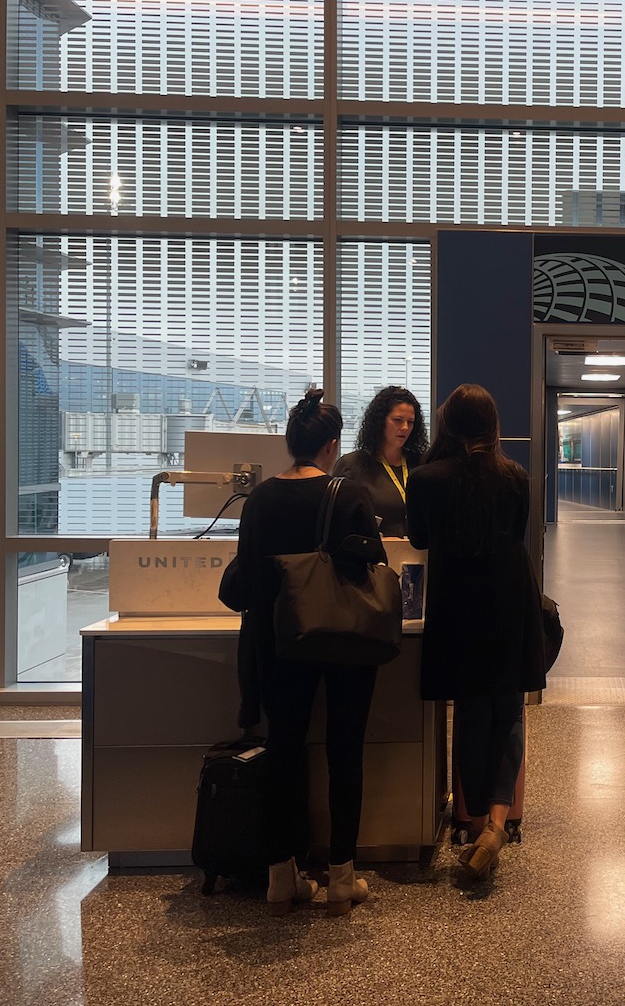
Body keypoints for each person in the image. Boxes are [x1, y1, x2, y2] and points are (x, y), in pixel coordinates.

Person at [224, 388, 386, 915]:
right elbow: (374, 568)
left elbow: (246, 580)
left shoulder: (262, 499)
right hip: (344, 639)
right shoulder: (352, 494)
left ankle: (280, 878)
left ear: (292, 443)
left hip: (279, 642)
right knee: (345, 752)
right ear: (331, 445)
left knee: (284, 752)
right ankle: (342, 877)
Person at [406, 383, 545, 887]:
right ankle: (499, 823)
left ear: (449, 425)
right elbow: (521, 534)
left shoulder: (425, 479)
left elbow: (419, 537)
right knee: (508, 710)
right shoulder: (515, 477)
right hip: (509, 601)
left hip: (457, 605)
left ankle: (476, 820)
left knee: (470, 711)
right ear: (491, 426)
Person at [332, 385, 428, 538]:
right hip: (372, 556)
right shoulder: (351, 466)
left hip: (417, 555)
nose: (405, 427)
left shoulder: (421, 464)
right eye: (397, 420)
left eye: (410, 422)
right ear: (380, 421)